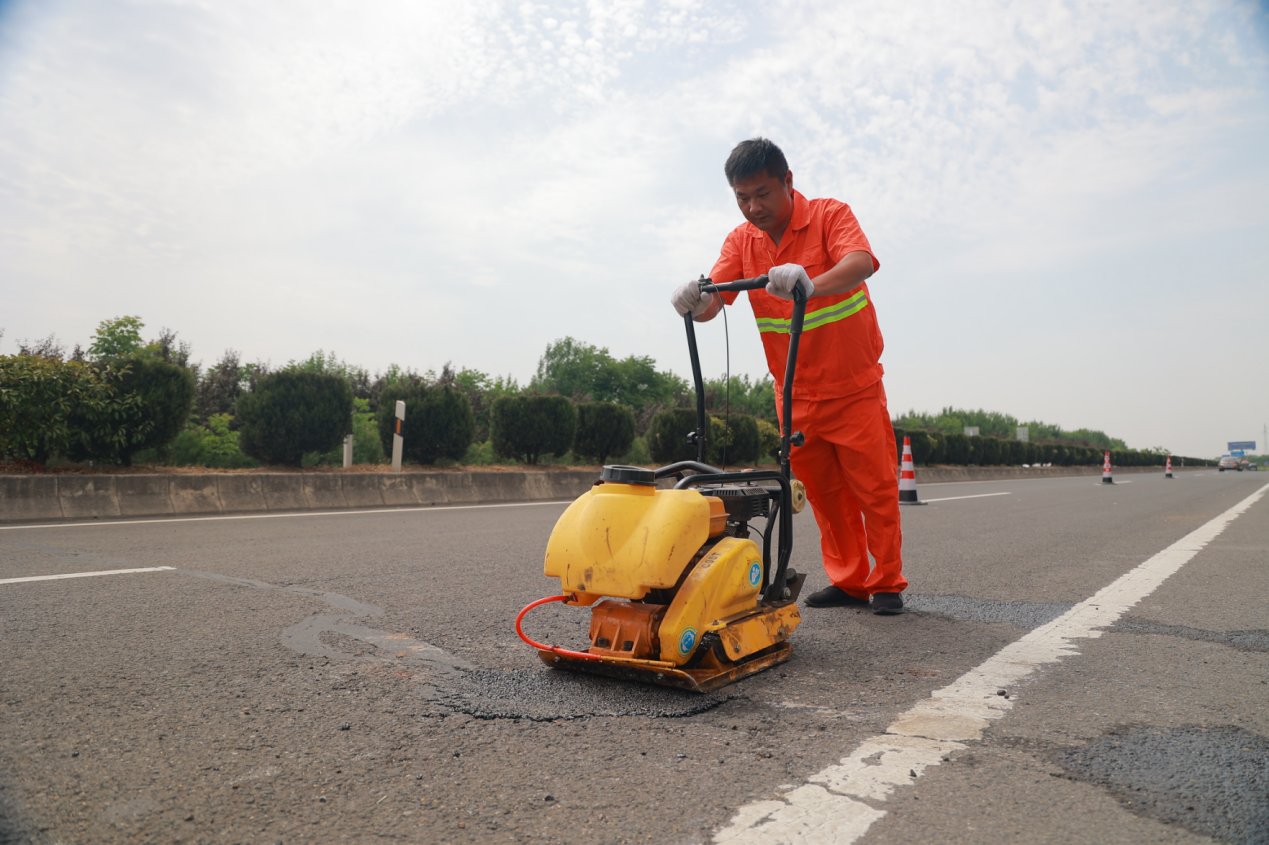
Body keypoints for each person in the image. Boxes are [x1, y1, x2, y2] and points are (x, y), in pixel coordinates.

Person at [670, 137, 907, 615]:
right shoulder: (742, 241)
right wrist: (693, 301)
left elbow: (861, 262)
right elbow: (716, 302)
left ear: (788, 182)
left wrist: (810, 284)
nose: (753, 207)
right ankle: (849, 580)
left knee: (875, 490)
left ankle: (886, 581)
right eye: (742, 198)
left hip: (853, 388)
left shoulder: (828, 215)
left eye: (762, 194)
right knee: (824, 494)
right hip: (794, 395)